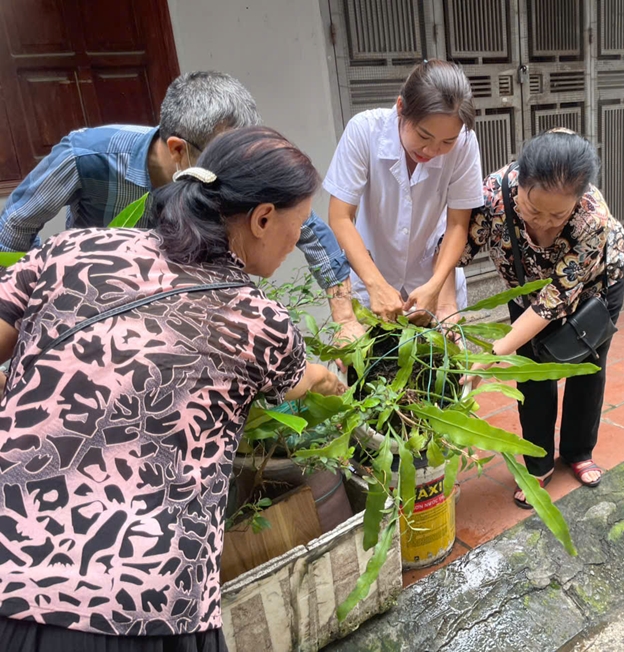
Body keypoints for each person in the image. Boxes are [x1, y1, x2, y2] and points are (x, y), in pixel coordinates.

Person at [0, 126, 344, 650]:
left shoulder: (72, 249)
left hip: (11, 573)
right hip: (143, 603)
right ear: (262, 218)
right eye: (298, 225)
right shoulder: (257, 320)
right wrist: (333, 380)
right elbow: (304, 381)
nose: (297, 241)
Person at [0, 71, 363, 342]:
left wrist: (345, 316)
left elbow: (303, 224)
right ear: (178, 149)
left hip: (188, 316)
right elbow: (15, 227)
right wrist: (29, 309)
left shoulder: (233, 169)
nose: (237, 169)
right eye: (225, 156)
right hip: (99, 313)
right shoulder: (87, 157)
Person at [456, 129, 624, 507]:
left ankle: (578, 451)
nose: (546, 224)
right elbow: (457, 253)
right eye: (534, 210)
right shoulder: (492, 196)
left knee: (587, 368)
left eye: (558, 215)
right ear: (520, 182)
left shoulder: (593, 217)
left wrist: (489, 356)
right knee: (532, 371)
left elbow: (555, 300)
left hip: (594, 288)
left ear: (578, 198)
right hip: (525, 287)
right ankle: (538, 463)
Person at [323, 59, 483, 326]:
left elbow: (457, 224)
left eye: (447, 142)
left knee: (440, 351)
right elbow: (340, 217)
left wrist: (436, 285)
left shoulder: (465, 143)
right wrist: (375, 284)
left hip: (432, 276)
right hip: (372, 276)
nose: (432, 150)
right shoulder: (364, 131)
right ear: (401, 108)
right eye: (424, 136)